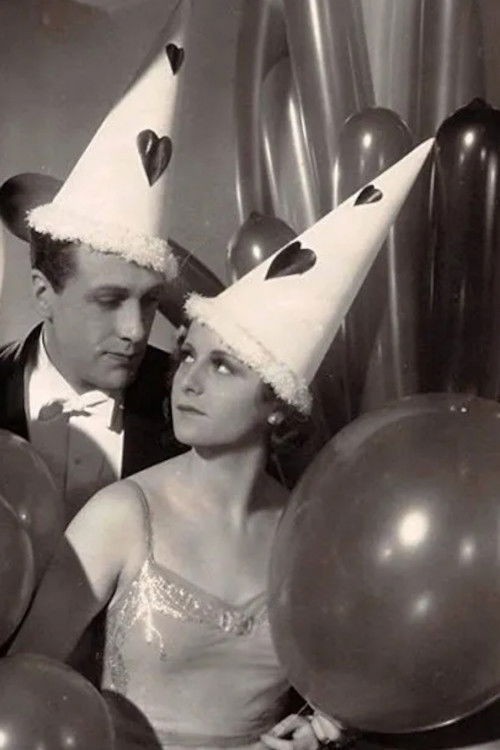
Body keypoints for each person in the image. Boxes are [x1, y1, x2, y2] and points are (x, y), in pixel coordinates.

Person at [11, 140, 434, 748]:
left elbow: (357, 681)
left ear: (278, 402)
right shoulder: (122, 514)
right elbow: (24, 692)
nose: (187, 380)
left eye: (223, 366)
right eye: (187, 355)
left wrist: (318, 728)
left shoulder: (308, 536)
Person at [0, 0, 190, 522]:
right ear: (44, 292)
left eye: (149, 302)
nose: (136, 331)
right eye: (108, 300)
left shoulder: (190, 409)